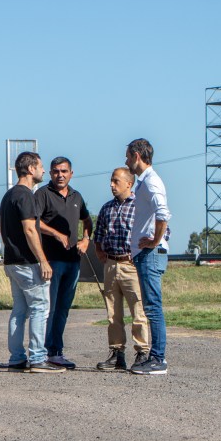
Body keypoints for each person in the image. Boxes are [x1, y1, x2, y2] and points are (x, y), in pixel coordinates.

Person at [0, 152, 63, 373]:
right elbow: (29, 229)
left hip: (11, 261)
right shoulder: (25, 195)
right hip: (27, 262)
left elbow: (2, 228)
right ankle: (37, 358)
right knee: (39, 308)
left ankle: (16, 358)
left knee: (19, 310)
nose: (44, 171)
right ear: (30, 169)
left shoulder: (8, 196)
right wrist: (42, 260)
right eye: (41, 166)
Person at [34, 156, 92, 369]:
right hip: (51, 261)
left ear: (71, 173)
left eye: (64, 171)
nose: (60, 175)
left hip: (73, 261)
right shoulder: (42, 195)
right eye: (56, 171)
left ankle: (56, 351)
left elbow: (87, 220)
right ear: (50, 173)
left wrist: (86, 240)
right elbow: (34, 222)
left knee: (63, 308)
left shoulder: (77, 196)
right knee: (49, 307)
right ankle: (42, 352)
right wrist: (57, 234)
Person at [93, 168, 149, 371]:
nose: (111, 185)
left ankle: (142, 352)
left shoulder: (140, 207)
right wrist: (100, 252)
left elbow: (162, 231)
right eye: (111, 181)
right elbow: (98, 234)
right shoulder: (107, 208)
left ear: (128, 183)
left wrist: (143, 253)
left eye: (116, 181)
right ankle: (117, 353)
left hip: (131, 264)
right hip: (111, 264)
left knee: (138, 310)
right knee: (113, 312)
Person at [125, 138, 171, 376]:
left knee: (153, 308)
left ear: (136, 156)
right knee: (150, 306)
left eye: (127, 157)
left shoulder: (151, 182)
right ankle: (155, 357)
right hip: (145, 253)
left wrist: (154, 241)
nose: (126, 161)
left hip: (151, 253)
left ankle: (158, 359)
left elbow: (163, 213)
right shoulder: (145, 183)